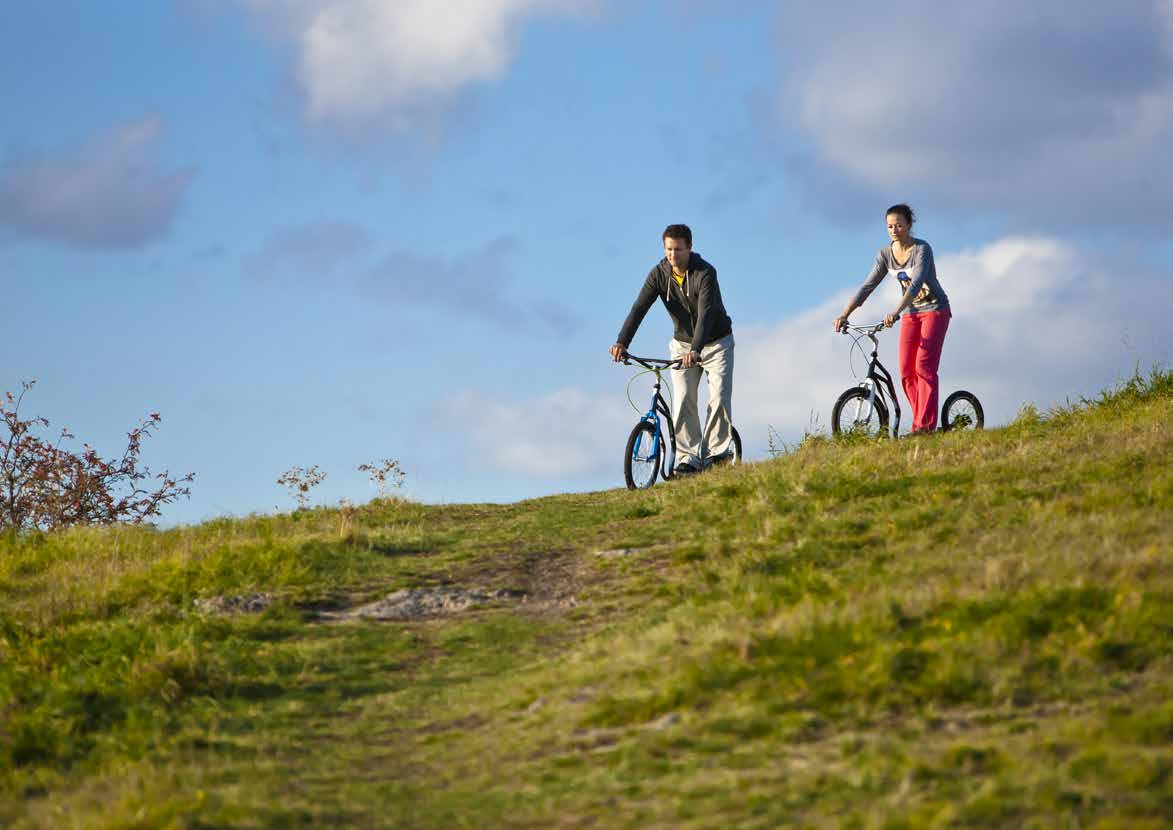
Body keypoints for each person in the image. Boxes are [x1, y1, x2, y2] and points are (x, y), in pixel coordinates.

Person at [610, 224, 735, 474]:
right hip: (682, 345)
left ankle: (717, 453)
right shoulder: (659, 274)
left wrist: (697, 349)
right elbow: (639, 309)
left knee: (718, 396)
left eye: (678, 249)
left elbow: (706, 315)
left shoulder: (705, 273)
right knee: (683, 399)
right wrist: (622, 342)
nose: (673, 255)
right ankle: (688, 458)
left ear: (689, 247)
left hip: (716, 343)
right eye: (668, 249)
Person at [833, 204, 951, 434]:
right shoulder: (886, 255)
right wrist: (844, 314)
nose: (894, 230)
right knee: (906, 371)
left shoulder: (922, 250)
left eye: (898, 225)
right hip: (910, 315)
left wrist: (895, 312)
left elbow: (916, 284)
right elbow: (868, 286)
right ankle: (921, 421)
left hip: (935, 310)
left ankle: (924, 426)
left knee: (923, 367)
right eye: (889, 226)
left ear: (909, 225)